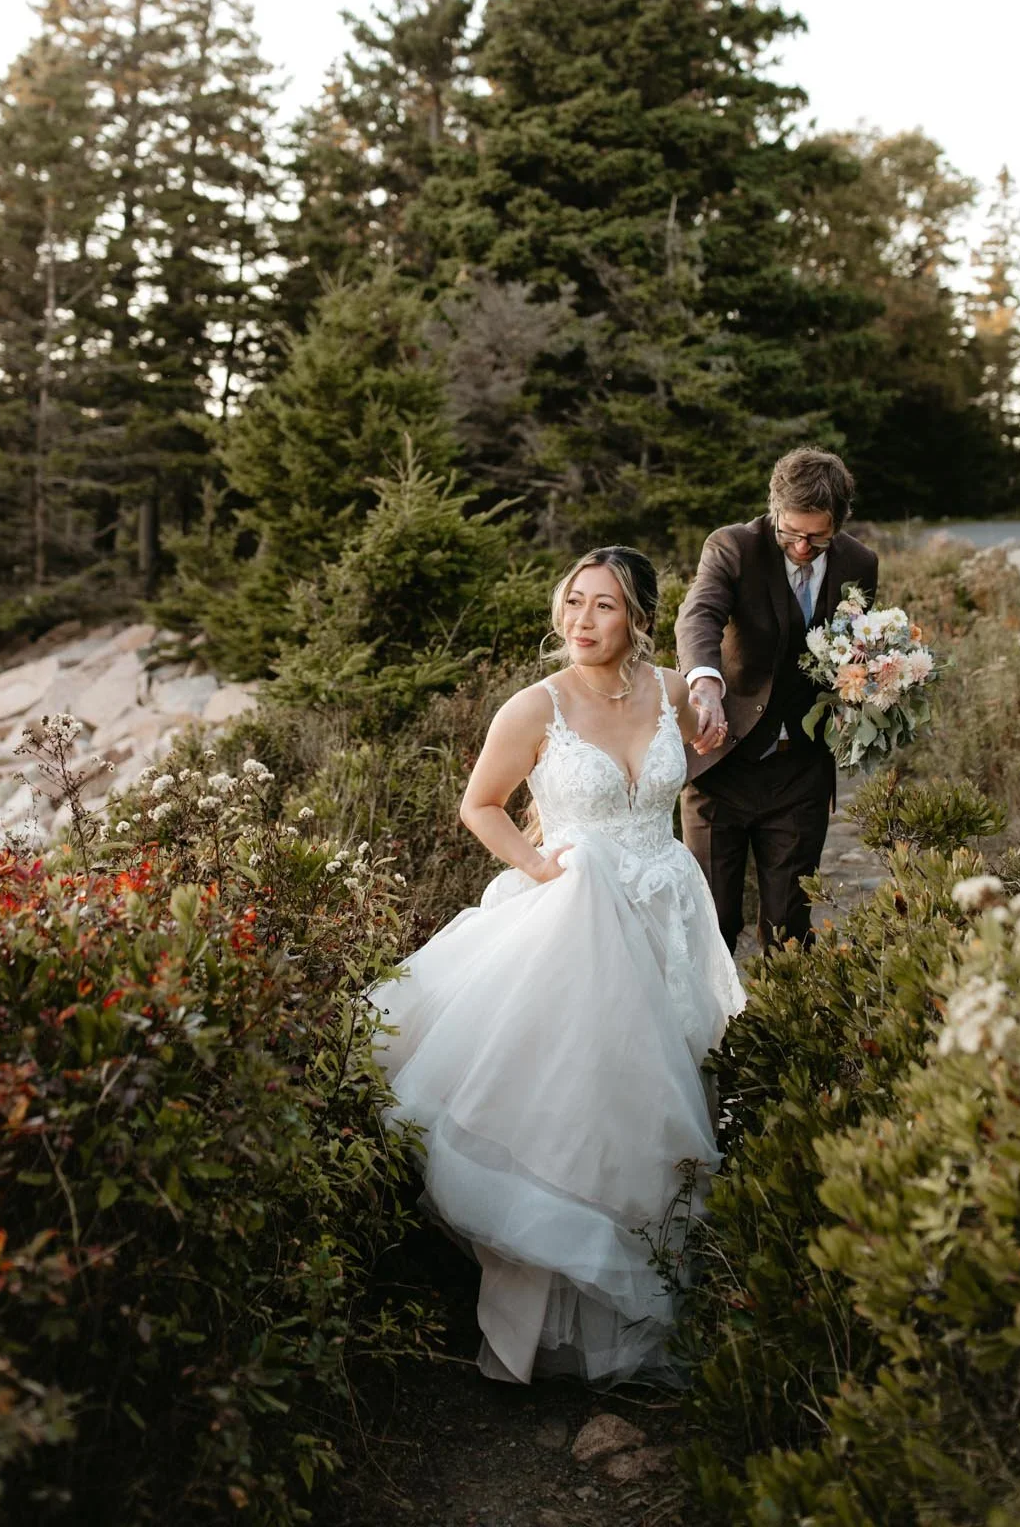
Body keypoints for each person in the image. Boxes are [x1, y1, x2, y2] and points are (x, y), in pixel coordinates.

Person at [371, 546, 744, 1386]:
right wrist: (546, 871)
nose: (581, 621)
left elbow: (702, 745)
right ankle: (543, 1328)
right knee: (578, 1107)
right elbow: (480, 805)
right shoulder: (534, 706)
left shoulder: (671, 692)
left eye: (603, 606)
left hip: (668, 915)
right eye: (572, 602)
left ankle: (649, 1301)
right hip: (576, 923)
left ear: (639, 617)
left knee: (661, 1102)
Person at [676, 446, 879, 955]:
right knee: (712, 922)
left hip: (801, 771)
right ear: (774, 511)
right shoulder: (733, 548)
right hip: (721, 763)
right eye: (792, 533)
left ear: (840, 522)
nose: (804, 548)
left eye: (818, 537)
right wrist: (705, 683)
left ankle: (783, 1031)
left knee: (790, 927)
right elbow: (699, 615)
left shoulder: (860, 562)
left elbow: (856, 646)